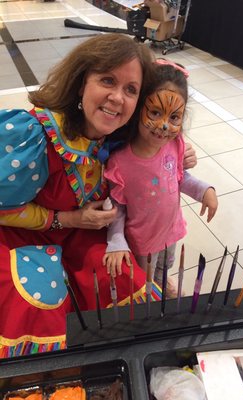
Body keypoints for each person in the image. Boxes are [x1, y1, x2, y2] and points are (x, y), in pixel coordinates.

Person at [0, 34, 197, 357]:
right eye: (107, 80)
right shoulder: (36, 135)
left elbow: (162, 136)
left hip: (80, 234)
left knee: (122, 279)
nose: (118, 98)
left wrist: (181, 152)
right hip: (20, 236)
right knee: (37, 298)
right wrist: (65, 218)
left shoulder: (119, 140)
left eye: (131, 90)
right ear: (81, 84)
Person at [103, 59, 218, 298]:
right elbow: (117, 208)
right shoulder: (120, 162)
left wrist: (204, 190)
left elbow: (180, 178)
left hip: (170, 230)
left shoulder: (174, 146)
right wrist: (116, 241)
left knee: (165, 267)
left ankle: (162, 282)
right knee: (144, 284)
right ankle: (151, 295)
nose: (164, 125)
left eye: (174, 117)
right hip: (142, 242)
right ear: (137, 110)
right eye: (155, 112)